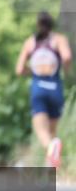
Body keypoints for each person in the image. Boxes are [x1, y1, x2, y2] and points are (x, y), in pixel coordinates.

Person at [15, 11, 71, 168]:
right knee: (52, 131)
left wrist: (33, 70)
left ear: (38, 25)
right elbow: (67, 57)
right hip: (55, 88)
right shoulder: (59, 39)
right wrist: (65, 71)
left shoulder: (30, 42)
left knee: (41, 130)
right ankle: (50, 165)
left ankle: (51, 149)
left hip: (38, 88)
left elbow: (19, 69)